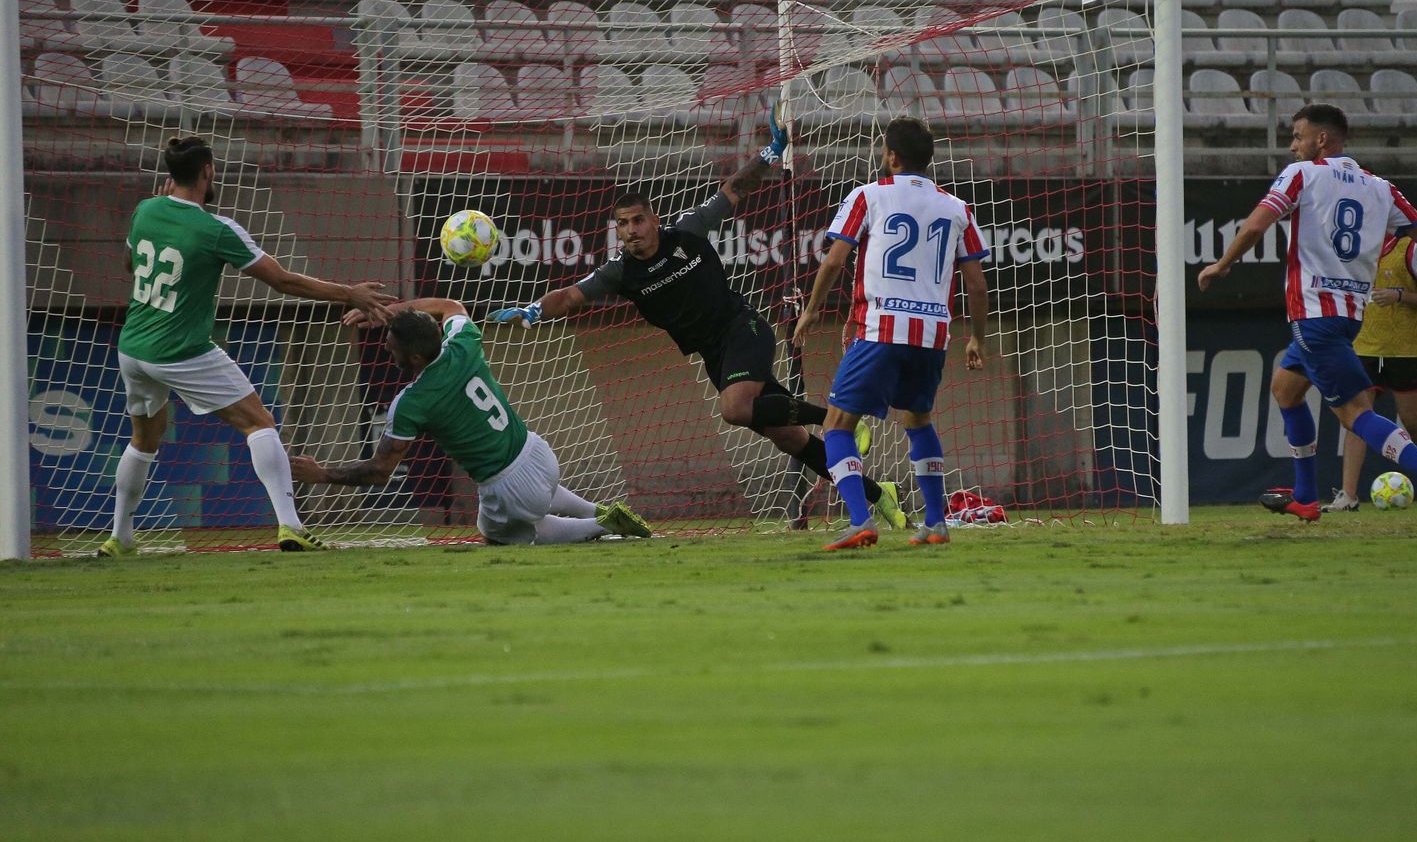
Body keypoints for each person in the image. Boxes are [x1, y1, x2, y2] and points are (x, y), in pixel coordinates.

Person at [488, 108, 906, 530]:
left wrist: (771, 153)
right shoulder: (621, 272)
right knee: (788, 437)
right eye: (622, 225)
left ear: (653, 220)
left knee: (734, 408)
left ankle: (837, 420)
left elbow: (734, 190)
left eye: (637, 221)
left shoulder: (687, 232)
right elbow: (572, 294)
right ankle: (877, 494)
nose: (631, 230)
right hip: (715, 355)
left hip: (743, 328)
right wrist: (534, 310)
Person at [99, 135, 396, 557]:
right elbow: (283, 281)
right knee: (259, 423)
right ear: (206, 171)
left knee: (144, 440)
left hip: (134, 349)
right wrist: (348, 293)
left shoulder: (146, 210)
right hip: (181, 349)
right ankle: (290, 526)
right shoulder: (216, 228)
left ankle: (119, 538)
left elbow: (130, 265)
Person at [1196, 104, 1417, 527]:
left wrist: (1223, 263)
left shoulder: (1302, 174)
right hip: (1349, 316)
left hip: (1313, 315)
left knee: (1356, 415)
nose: (1292, 145)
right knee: (1286, 389)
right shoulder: (1381, 188)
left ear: (1320, 139)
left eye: (1297, 135)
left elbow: (1255, 225)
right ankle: (1305, 497)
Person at [289, 300, 651, 545]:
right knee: (536, 496)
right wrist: (392, 311)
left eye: (391, 345)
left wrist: (321, 474)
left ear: (413, 355)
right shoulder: (462, 341)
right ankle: (594, 509)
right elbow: (451, 307)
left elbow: (380, 471)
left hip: (508, 486)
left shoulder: (412, 402)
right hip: (538, 454)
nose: (386, 348)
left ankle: (599, 524)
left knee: (499, 535)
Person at [791, 115, 991, 550]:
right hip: (933, 335)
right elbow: (976, 283)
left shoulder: (869, 195)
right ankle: (936, 523)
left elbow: (833, 261)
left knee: (837, 424)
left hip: (881, 327)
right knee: (918, 420)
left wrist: (810, 311)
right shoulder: (958, 208)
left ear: (891, 157)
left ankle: (861, 520)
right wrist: (977, 337)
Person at [1321, 231, 1417, 512]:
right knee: (1356, 418)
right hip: (1363, 347)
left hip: (1404, 349)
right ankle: (1348, 495)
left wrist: (1399, 295)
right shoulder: (1354, 249)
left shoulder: (1410, 249)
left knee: (1412, 420)